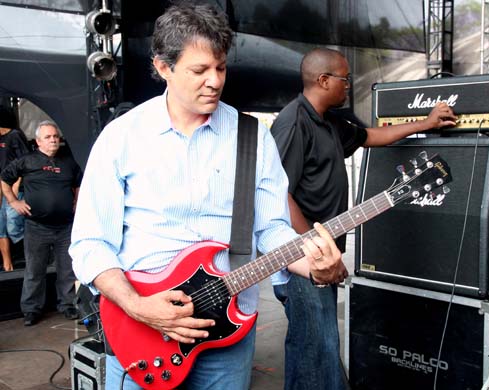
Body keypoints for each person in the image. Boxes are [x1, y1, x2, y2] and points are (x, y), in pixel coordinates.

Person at [68, 4, 345, 390]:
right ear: (163, 68)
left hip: (229, 329)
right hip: (142, 331)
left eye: (221, 67)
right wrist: (138, 305)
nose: (214, 81)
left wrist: (313, 265)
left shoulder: (251, 136)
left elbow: (271, 230)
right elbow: (91, 243)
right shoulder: (122, 137)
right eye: (199, 71)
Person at [270, 47, 458, 390]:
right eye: (345, 78)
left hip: (320, 257)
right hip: (302, 260)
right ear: (323, 80)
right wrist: (315, 251)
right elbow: (279, 195)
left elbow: (370, 136)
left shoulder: (328, 121)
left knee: (310, 349)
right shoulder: (294, 123)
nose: (349, 85)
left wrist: (426, 123)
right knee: (318, 350)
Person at [1, 120, 82, 326]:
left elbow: (78, 184)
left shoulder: (69, 162)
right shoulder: (27, 161)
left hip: (65, 227)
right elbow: (4, 178)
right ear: (38, 141)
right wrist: (13, 202)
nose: (53, 140)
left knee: (67, 270)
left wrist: (76, 203)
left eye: (55, 136)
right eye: (48, 137)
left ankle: (67, 305)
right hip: (37, 227)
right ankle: (31, 310)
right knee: (34, 271)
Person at [0, 106, 30, 272]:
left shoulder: (14, 135)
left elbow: (24, 160)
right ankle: (9, 263)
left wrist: (17, 183)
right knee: (3, 226)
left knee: (13, 224)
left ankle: (35, 250)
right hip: (3, 189)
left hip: (16, 187)